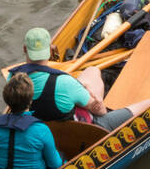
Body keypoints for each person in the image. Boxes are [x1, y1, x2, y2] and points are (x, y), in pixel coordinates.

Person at [10, 28, 139, 132]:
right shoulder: (64, 82)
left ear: (25, 49)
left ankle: (80, 94)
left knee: (92, 71)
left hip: (42, 130)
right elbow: (100, 111)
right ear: (50, 50)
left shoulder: (13, 79)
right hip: (80, 133)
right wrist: (97, 101)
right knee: (149, 103)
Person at [0, 72, 62, 169]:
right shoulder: (41, 129)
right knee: (61, 157)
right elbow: (56, 166)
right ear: (30, 100)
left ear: (7, 100)